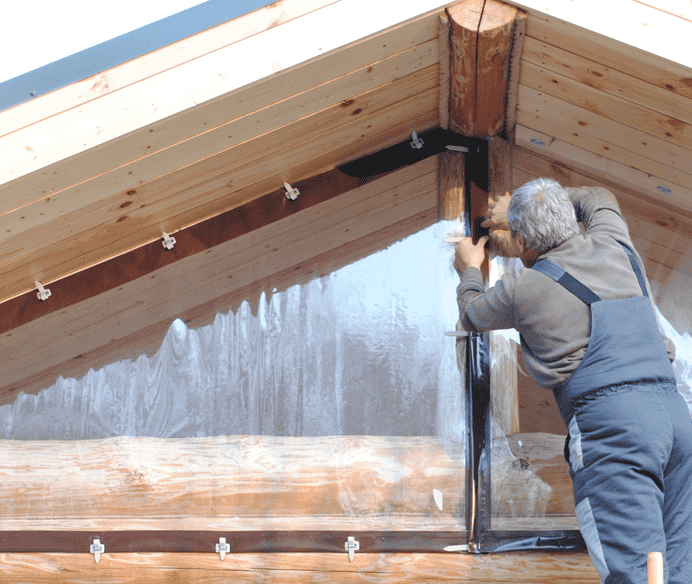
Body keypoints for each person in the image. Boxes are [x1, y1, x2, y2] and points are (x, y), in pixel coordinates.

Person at [454, 178, 692, 584]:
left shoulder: (521, 288)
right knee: (679, 568)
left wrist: (470, 269)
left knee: (632, 573)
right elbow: (600, 197)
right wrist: (524, 203)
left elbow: (472, 315)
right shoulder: (614, 241)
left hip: (615, 432)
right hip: (676, 421)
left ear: (522, 243)